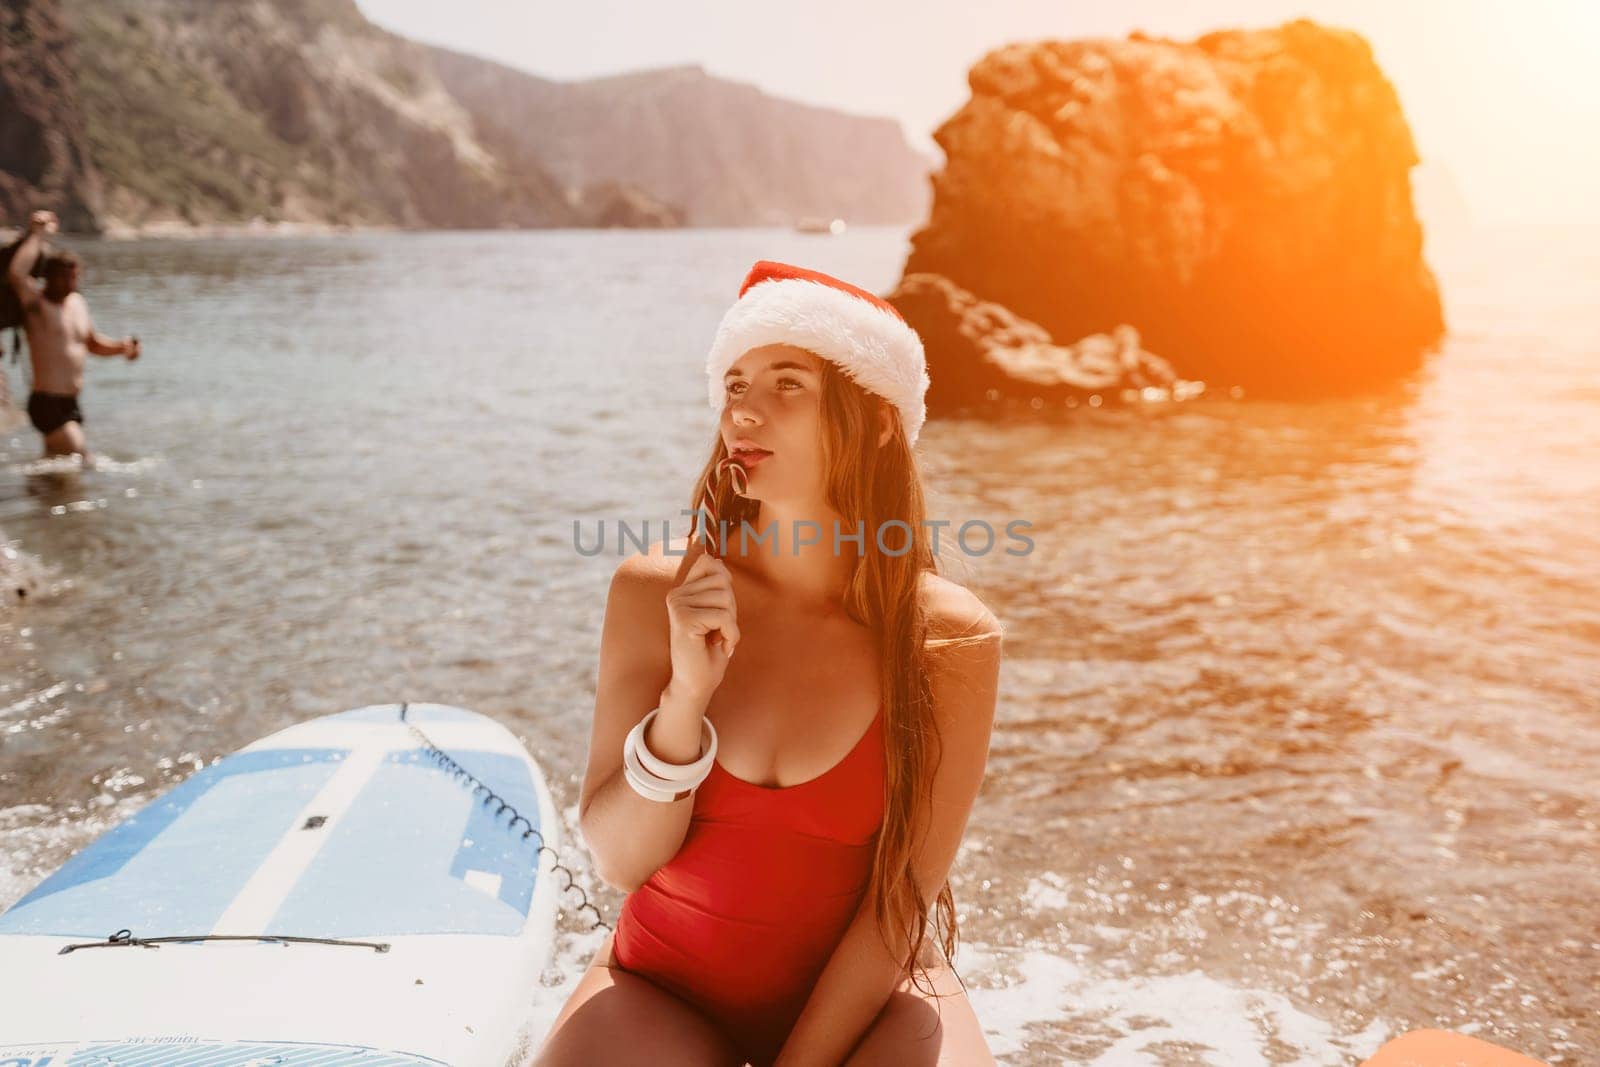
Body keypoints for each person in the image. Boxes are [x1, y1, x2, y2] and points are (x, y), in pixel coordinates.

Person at [537, 261, 1003, 1066]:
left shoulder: (948, 639)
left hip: (865, 1011)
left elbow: (899, 903)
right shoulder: (659, 590)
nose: (744, 411)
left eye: (789, 384)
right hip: (660, 994)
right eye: (736, 384)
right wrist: (686, 697)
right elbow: (619, 862)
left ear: (879, 422)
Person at [5, 210, 139, 461]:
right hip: (45, 401)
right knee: (80, 455)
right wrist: (37, 235)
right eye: (65, 277)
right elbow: (17, 275)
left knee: (55, 463)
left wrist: (123, 348)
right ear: (49, 278)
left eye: (75, 276)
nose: (71, 283)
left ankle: (40, 495)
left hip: (71, 402)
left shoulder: (77, 303)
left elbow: (92, 344)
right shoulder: (37, 306)